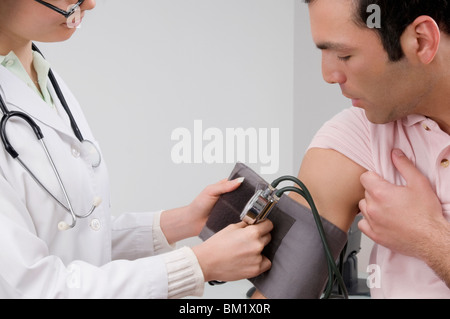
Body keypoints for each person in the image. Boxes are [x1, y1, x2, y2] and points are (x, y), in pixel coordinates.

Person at [0, 0, 273, 298]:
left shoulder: (40, 77)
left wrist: (186, 220)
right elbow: (35, 288)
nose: (89, 4)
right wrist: (198, 264)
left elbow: (76, 238)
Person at [296, 0, 449, 298]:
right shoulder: (355, 136)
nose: (328, 75)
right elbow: (282, 290)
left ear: (421, 41)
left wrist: (428, 238)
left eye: (344, 55)